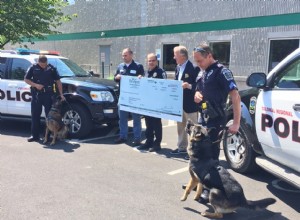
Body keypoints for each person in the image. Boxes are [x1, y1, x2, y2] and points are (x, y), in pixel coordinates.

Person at [193, 42, 241, 204]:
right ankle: (202, 184)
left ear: (209, 56)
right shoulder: (202, 72)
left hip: (216, 120)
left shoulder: (222, 72)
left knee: (212, 155)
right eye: (196, 61)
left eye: (200, 61)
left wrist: (236, 122)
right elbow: (199, 90)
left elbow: (235, 96)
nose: (198, 64)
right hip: (204, 117)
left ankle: (212, 190)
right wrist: (197, 95)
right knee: (201, 153)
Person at [24, 55, 65, 142]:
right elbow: (26, 79)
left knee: (49, 117)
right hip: (36, 95)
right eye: (42, 65)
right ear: (38, 62)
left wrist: (61, 94)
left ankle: (48, 136)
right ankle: (34, 136)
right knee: (35, 115)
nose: (44, 66)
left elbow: (58, 81)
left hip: (48, 95)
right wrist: (35, 85)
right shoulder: (33, 68)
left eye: (45, 64)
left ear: (47, 62)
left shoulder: (51, 68)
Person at [170, 46, 199, 155]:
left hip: (190, 104)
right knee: (180, 127)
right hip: (179, 103)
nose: (173, 57)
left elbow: (199, 85)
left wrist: (189, 86)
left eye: (175, 55)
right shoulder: (177, 67)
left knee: (194, 129)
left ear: (182, 56)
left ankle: (193, 151)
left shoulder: (194, 68)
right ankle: (181, 147)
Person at [114, 48, 145, 146]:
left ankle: (137, 138)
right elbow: (115, 78)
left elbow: (143, 78)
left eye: (125, 55)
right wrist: (116, 77)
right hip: (123, 97)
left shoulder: (138, 66)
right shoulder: (120, 66)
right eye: (123, 55)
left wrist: (141, 77)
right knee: (122, 118)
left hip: (134, 97)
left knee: (136, 118)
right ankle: (123, 136)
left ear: (131, 55)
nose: (124, 57)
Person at [137, 53, 167, 152]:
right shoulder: (145, 73)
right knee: (148, 123)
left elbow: (164, 86)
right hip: (147, 102)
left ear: (156, 61)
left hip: (156, 103)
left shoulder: (160, 72)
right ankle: (149, 141)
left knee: (156, 123)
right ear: (147, 61)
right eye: (149, 60)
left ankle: (157, 143)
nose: (151, 62)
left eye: (153, 60)